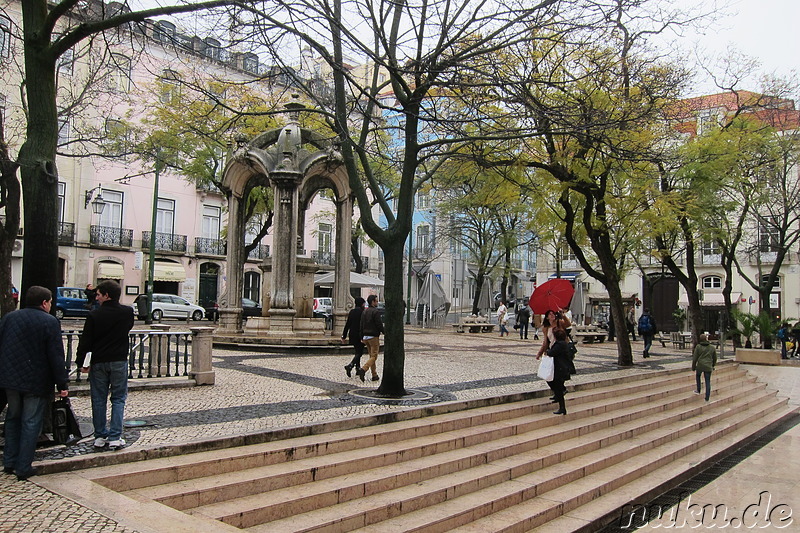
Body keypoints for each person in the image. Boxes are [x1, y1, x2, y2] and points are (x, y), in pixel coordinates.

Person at [0, 286, 69, 480]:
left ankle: (9, 461)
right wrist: (62, 384)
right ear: (44, 303)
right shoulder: (49, 322)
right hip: (35, 381)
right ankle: (23, 467)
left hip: (10, 379)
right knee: (31, 422)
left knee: (13, 419)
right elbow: (56, 356)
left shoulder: (9, 318)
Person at [75, 280, 135, 450]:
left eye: (99, 294)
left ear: (107, 295)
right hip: (118, 360)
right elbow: (126, 330)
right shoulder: (127, 312)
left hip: (99, 361)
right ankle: (115, 437)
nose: (97, 297)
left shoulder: (94, 315)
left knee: (98, 399)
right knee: (118, 399)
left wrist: (81, 362)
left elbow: (85, 341)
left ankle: (100, 436)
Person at [357, 295, 384, 382]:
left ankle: (374, 375)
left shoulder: (365, 311)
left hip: (365, 337)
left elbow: (361, 325)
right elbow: (379, 324)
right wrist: (384, 331)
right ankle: (364, 369)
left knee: (371, 356)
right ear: (372, 302)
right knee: (374, 356)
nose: (377, 303)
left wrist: (361, 336)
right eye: (376, 301)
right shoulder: (375, 312)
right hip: (373, 336)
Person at [546, 328, 573, 415]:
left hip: (560, 369)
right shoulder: (564, 344)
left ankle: (562, 407)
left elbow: (551, 353)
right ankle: (560, 402)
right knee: (557, 386)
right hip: (563, 368)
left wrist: (547, 350)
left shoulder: (559, 344)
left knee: (557, 386)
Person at [341, 297, 366, 377]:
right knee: (360, 352)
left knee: (357, 351)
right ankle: (350, 365)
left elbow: (347, 324)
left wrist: (344, 336)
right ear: (362, 304)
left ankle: (357, 368)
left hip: (352, 334)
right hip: (360, 335)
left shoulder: (352, 312)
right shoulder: (363, 312)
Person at [692, 334, 717, 401]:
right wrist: (713, 365)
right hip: (708, 366)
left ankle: (698, 389)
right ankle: (707, 397)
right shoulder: (712, 347)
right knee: (707, 381)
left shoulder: (698, 347)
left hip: (700, 365)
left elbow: (695, 358)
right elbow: (715, 358)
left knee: (698, 376)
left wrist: (693, 367)